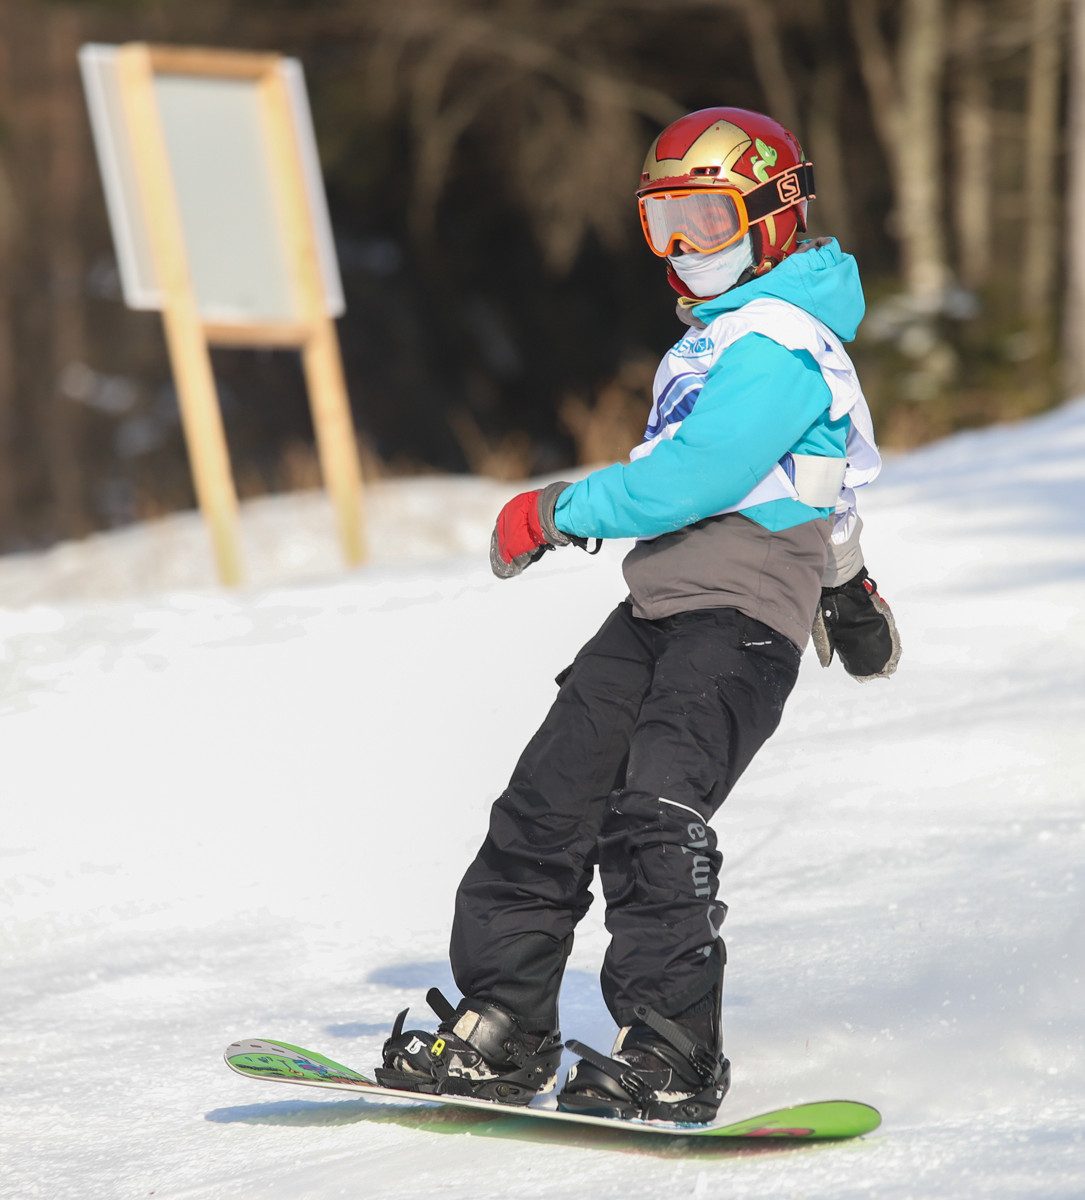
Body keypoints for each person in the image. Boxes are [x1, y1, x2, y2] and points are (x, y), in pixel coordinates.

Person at [374, 107, 900, 1124]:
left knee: (654, 811)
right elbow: (822, 484)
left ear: (775, 220)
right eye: (666, 224)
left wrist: (552, 510)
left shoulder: (783, 346)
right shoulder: (722, 341)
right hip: (659, 607)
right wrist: (853, 587)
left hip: (739, 622)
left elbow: (691, 480)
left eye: (709, 219)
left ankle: (672, 1048)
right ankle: (503, 1024)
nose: (686, 248)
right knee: (549, 800)